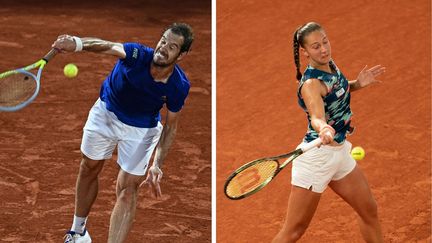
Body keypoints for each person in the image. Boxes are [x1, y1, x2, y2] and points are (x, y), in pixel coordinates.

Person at [51, 23, 194, 243]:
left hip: (142, 131)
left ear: (181, 55)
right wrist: (77, 43)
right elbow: (107, 46)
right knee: (89, 167)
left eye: (172, 46)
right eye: (163, 40)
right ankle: (78, 232)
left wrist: (157, 163)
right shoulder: (137, 54)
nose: (163, 48)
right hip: (106, 114)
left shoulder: (178, 86)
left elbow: (171, 126)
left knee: (128, 189)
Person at [272, 22, 385, 243]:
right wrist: (323, 127)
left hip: (340, 153)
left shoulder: (329, 65)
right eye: (315, 47)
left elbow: (336, 90)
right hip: (317, 158)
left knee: (368, 209)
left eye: (325, 42)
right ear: (304, 53)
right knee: (293, 231)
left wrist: (357, 84)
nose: (323, 49)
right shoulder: (311, 83)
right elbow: (316, 115)